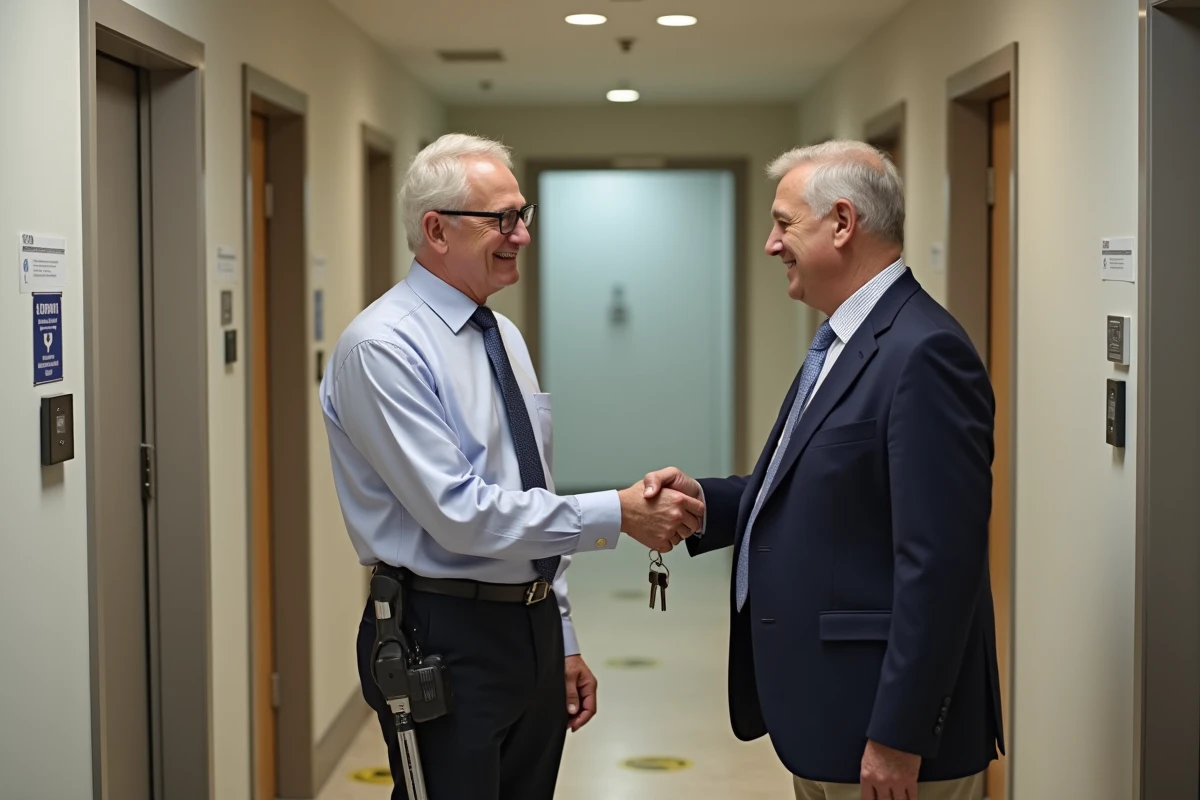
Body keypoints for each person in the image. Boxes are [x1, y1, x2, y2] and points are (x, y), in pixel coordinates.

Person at [319, 133, 704, 799]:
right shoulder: (382, 349)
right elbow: (462, 516)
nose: (521, 235)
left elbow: (529, 491)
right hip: (441, 633)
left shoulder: (501, 336)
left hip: (524, 627)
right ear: (436, 230)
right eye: (501, 219)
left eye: (523, 215)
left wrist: (560, 632)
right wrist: (618, 512)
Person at [645, 140, 1004, 800]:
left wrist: (900, 735)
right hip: (831, 717)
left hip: (886, 736)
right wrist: (708, 503)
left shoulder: (923, 353)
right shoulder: (846, 341)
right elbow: (821, 489)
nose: (770, 244)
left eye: (784, 224)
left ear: (842, 223)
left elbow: (940, 566)